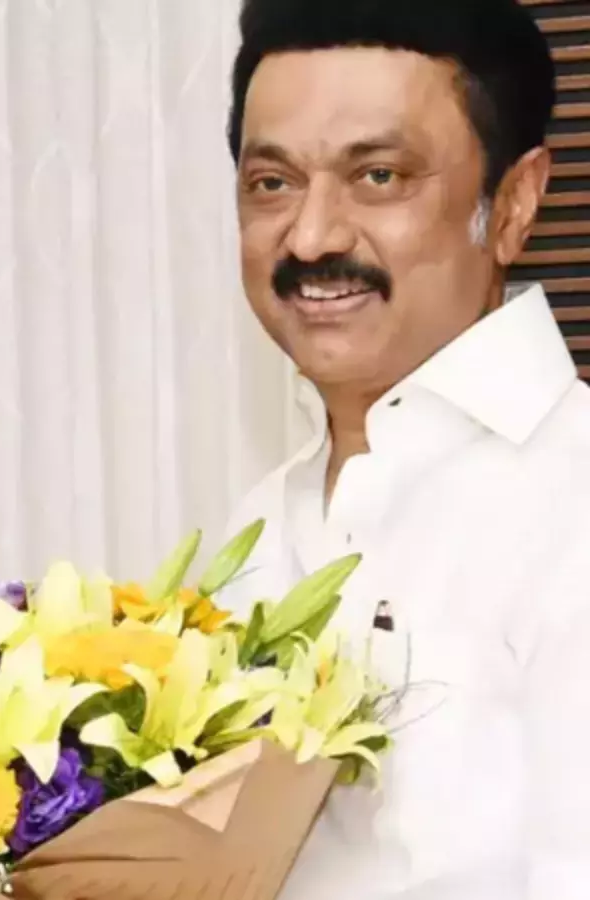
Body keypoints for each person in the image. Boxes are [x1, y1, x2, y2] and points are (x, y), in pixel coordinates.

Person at [220, 1, 590, 898]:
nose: (312, 236)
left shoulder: (572, 496)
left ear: (513, 203)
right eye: (271, 183)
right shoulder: (256, 527)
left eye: (378, 176)